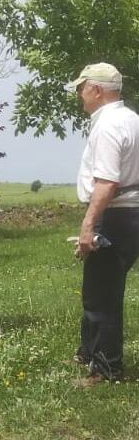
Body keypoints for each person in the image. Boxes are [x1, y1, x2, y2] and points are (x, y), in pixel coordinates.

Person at [66, 63, 139, 386]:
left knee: (102, 294)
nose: (80, 95)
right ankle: (88, 352)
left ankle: (106, 369)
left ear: (96, 90)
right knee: (99, 286)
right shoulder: (131, 119)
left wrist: (88, 226)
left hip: (115, 213)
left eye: (82, 88)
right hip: (130, 212)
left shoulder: (108, 126)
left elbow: (107, 183)